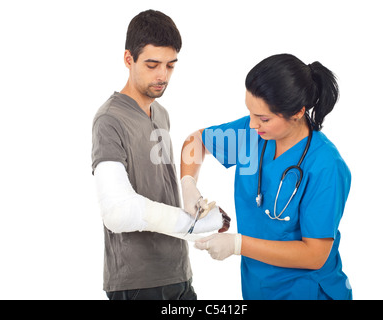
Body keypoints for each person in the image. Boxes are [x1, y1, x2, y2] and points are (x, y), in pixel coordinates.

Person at [181, 54, 352, 300]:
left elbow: (315, 255)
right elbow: (195, 142)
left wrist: (238, 245)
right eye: (250, 112)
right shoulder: (254, 132)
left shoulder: (326, 167)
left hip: (306, 292)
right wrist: (189, 186)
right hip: (257, 289)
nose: (251, 125)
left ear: (297, 112)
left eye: (263, 118)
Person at [91, 9, 229, 300]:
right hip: (137, 281)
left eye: (170, 65)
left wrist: (192, 201)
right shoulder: (109, 119)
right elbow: (117, 212)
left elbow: (158, 188)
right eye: (152, 64)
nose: (162, 75)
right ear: (128, 59)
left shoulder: (161, 114)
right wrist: (195, 225)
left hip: (178, 271)